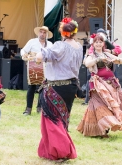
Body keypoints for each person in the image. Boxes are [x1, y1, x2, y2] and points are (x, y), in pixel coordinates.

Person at [35, 17, 82, 162]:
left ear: (62, 32)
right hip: (71, 87)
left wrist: (42, 52)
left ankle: (60, 151)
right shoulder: (79, 46)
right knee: (62, 118)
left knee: (53, 119)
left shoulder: (59, 45)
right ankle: (52, 150)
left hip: (56, 87)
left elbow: (39, 57)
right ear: (74, 32)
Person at [77, 34, 122, 138]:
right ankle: (103, 131)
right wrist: (98, 60)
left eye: (100, 42)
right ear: (93, 44)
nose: (98, 44)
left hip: (110, 83)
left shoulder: (107, 54)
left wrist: (116, 60)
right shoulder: (91, 55)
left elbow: (121, 60)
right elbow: (87, 64)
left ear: (103, 44)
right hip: (98, 84)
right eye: (96, 42)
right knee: (102, 105)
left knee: (110, 105)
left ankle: (95, 129)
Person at [20, 26, 53, 115]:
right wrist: (24, 56)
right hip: (33, 66)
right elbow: (23, 50)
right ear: (38, 33)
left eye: (44, 32)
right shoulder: (32, 42)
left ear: (46, 34)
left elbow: (52, 55)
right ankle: (28, 109)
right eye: (41, 32)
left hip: (46, 68)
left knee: (43, 88)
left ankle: (40, 108)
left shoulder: (50, 44)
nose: (42, 34)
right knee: (31, 87)